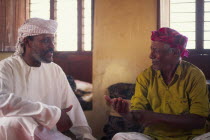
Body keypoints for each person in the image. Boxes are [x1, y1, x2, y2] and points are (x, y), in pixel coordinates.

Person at [105, 27, 210, 140]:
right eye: (151, 50)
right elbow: (137, 115)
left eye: (156, 50)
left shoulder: (194, 75)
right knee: (119, 137)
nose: (150, 55)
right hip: (154, 137)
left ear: (175, 52)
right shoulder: (145, 77)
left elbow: (199, 121)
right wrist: (125, 113)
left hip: (191, 137)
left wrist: (156, 117)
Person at [0, 18, 96, 140]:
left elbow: (73, 108)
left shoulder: (55, 70)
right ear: (27, 41)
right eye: (46, 40)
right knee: (17, 121)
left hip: (49, 136)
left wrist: (85, 136)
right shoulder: (6, 67)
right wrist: (52, 114)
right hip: (11, 134)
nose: (52, 46)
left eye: (52, 40)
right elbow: (2, 102)